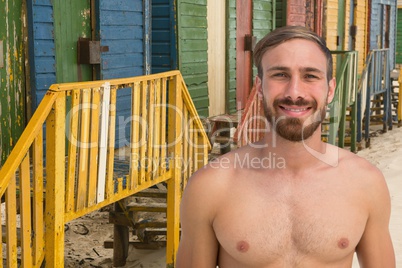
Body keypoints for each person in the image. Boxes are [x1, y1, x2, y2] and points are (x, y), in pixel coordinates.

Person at [176, 26, 395, 267]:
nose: (294, 92)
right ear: (259, 87)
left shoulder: (365, 182)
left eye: (310, 76)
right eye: (280, 75)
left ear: (330, 89)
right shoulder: (211, 186)